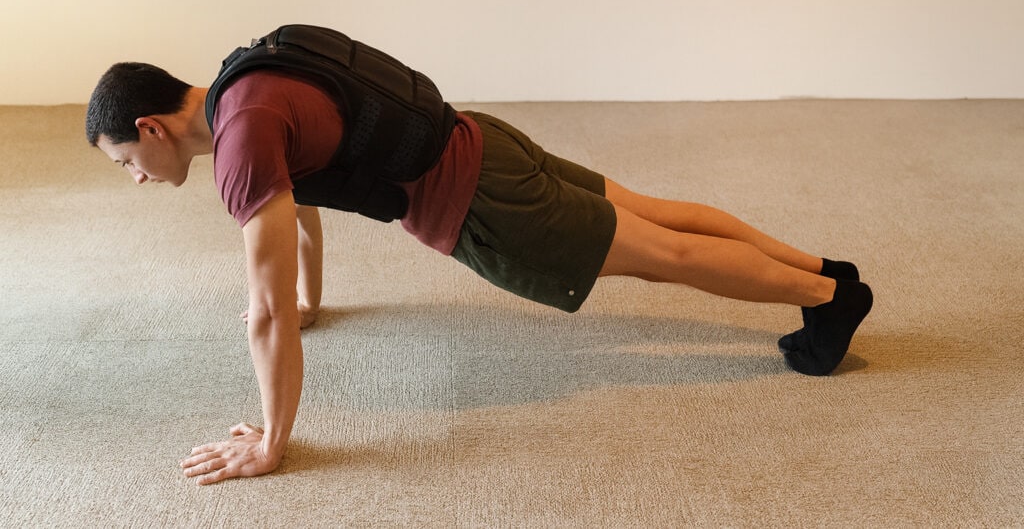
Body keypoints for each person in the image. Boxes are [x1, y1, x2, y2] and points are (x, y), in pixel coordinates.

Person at [85, 27, 872, 486]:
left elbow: (260, 310)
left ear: (152, 127)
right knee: (655, 211)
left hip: (482, 204)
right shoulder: (243, 81)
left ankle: (826, 299)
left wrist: (270, 438)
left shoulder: (238, 148)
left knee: (662, 251)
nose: (135, 179)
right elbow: (300, 210)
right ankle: (826, 273)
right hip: (480, 138)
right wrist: (311, 301)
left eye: (124, 160)